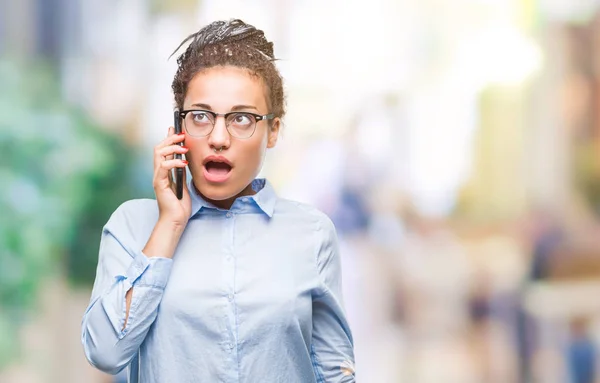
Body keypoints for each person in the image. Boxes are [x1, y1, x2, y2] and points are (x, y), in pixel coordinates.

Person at [80, 19, 355, 383]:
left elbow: (335, 371)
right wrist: (170, 224)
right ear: (178, 129)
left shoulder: (312, 233)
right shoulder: (133, 226)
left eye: (241, 118)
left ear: (273, 130)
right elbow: (105, 353)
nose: (219, 138)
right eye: (200, 117)